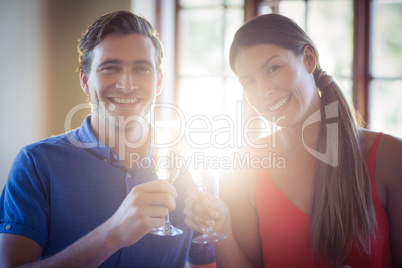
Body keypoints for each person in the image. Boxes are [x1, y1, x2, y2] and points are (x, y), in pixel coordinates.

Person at [0, 11, 216, 267]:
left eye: (141, 69)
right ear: (84, 80)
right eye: (110, 68)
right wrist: (112, 234)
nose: (126, 84)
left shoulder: (190, 165)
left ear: (158, 82)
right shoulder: (36, 165)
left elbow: (206, 262)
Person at [184, 13, 402, 268]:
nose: (264, 91)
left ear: (309, 59)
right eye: (249, 82)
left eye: (273, 68)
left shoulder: (391, 157)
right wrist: (221, 229)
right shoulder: (240, 167)